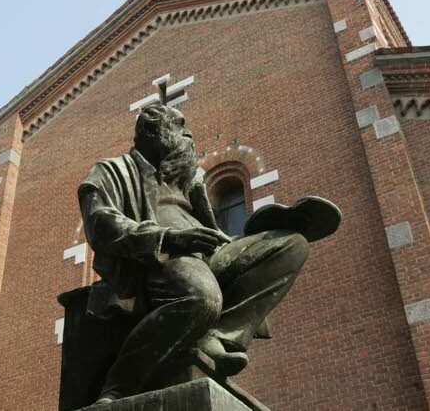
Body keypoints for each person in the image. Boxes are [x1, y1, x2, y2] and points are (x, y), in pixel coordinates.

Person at [78, 105, 311, 402]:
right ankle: (120, 384)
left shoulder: (189, 183)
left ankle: (216, 335)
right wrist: (171, 238)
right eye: (179, 126)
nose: (188, 134)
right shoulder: (112, 171)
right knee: (201, 297)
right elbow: (101, 223)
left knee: (292, 245)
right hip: (161, 257)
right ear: (150, 132)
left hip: (210, 252)